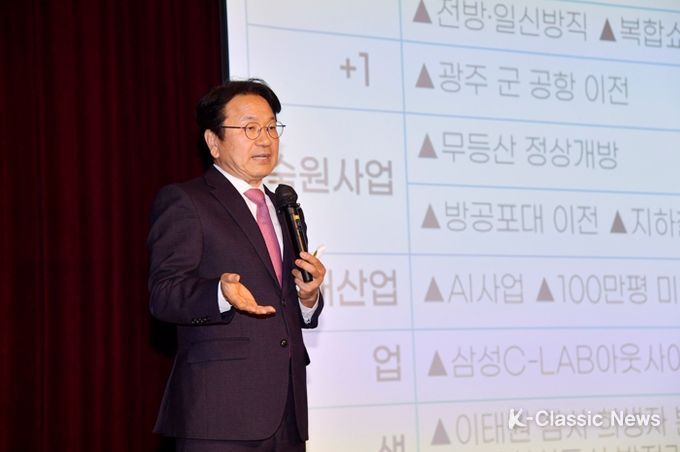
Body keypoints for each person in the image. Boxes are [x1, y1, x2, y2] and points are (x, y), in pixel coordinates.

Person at [147, 79, 325, 452]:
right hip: (219, 412)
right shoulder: (187, 201)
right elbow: (163, 294)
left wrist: (308, 297)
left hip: (288, 412)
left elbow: (287, 298)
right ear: (213, 141)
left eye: (271, 127)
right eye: (249, 128)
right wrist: (219, 292)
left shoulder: (286, 207)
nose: (265, 139)